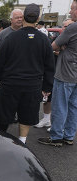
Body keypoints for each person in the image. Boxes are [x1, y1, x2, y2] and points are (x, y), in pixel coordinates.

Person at [0, 3, 55, 144]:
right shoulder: (44, 40)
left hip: (10, 84)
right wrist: (47, 87)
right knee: (26, 117)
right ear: (37, 18)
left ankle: (2, 142)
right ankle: (22, 141)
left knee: (5, 116)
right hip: (32, 86)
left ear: (24, 17)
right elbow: (50, 66)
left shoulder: (11, 38)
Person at [38, 1, 77, 147]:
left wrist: (61, 47)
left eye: (73, 9)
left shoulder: (73, 27)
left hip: (66, 72)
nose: (71, 12)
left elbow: (53, 45)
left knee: (60, 106)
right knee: (74, 107)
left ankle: (56, 137)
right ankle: (69, 136)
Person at [34, 19, 74, 130]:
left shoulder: (73, 39)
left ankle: (58, 128)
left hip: (67, 75)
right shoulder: (60, 38)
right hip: (54, 71)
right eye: (63, 26)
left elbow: (57, 49)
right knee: (48, 97)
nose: (64, 29)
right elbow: (52, 48)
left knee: (63, 104)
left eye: (67, 26)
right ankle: (47, 120)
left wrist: (59, 50)